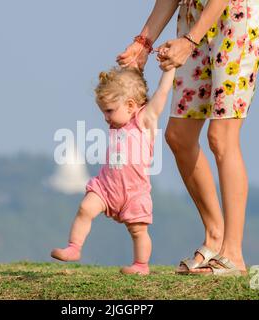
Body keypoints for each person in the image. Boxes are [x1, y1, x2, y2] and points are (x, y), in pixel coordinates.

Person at [117, 0, 259, 276]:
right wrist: (144, 42)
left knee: (221, 136)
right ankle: (215, 238)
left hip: (239, 17)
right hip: (194, 16)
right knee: (179, 136)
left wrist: (189, 41)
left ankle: (234, 254)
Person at [51, 67, 176, 275]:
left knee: (138, 231)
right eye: (103, 112)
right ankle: (74, 248)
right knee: (85, 208)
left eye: (109, 111)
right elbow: (129, 82)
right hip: (106, 187)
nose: (105, 118)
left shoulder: (143, 121)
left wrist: (170, 69)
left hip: (134, 193)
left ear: (130, 105)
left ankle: (141, 265)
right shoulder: (117, 125)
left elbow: (162, 93)